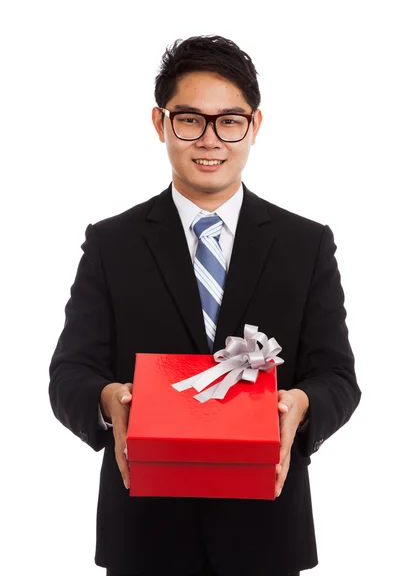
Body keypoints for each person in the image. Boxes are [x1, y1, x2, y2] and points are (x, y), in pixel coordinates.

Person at [49, 35, 361, 576]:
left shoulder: (305, 244)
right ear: (160, 123)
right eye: (189, 119)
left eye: (230, 121)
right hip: (144, 532)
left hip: (267, 531)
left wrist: (301, 407)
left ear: (255, 126)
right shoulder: (112, 243)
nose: (210, 140)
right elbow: (70, 373)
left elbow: (337, 375)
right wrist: (108, 399)